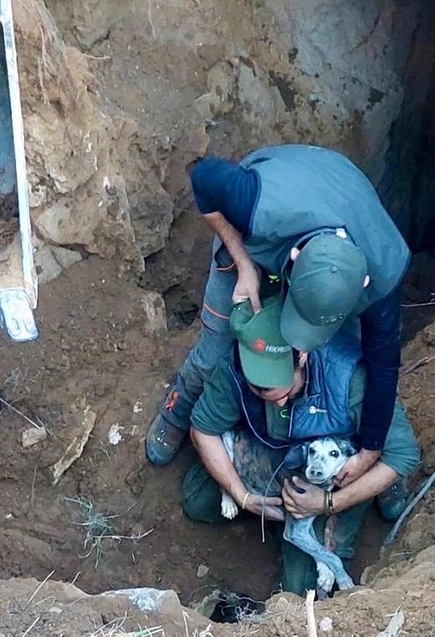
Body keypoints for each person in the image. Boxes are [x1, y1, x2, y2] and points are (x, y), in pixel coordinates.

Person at [145, 144, 413, 518]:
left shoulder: (384, 272)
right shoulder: (256, 207)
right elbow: (204, 179)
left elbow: (383, 369)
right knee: (216, 346)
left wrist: (371, 450)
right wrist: (243, 264)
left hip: (345, 212)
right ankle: (176, 412)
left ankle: (366, 454)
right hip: (276, 215)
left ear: (363, 282)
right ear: (293, 259)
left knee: (348, 361)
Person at [180, 298, 420, 595]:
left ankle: (366, 499)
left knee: (304, 589)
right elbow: (203, 428)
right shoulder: (236, 367)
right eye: (262, 390)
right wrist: (241, 496)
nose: (278, 401)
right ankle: (277, 522)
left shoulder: (348, 375)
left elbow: (404, 454)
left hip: (334, 475)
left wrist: (330, 503)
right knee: (198, 500)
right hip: (273, 458)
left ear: (302, 358)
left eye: (286, 387)